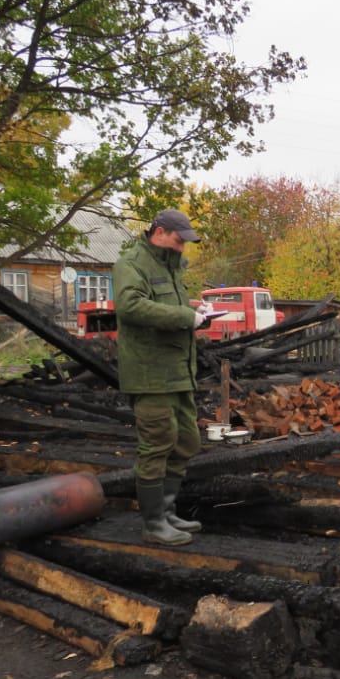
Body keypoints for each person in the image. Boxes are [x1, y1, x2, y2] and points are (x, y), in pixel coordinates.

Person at [113, 208, 216, 545]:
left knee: (186, 441)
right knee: (157, 444)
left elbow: (169, 308)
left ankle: (168, 512)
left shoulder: (170, 268)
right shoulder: (132, 264)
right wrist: (186, 317)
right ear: (158, 232)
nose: (182, 247)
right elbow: (130, 307)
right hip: (149, 374)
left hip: (177, 372)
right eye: (178, 239)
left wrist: (195, 313)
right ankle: (153, 523)